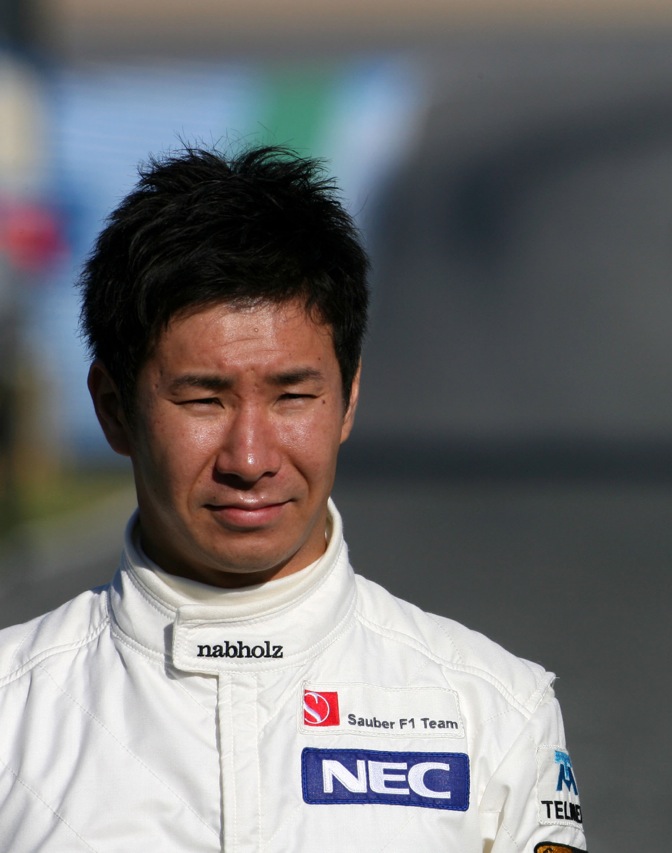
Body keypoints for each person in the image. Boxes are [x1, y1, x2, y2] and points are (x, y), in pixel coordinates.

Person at [0, 146, 588, 852]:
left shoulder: (495, 710)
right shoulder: (12, 710)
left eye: (293, 396)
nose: (250, 458)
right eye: (203, 399)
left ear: (348, 398)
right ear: (113, 408)